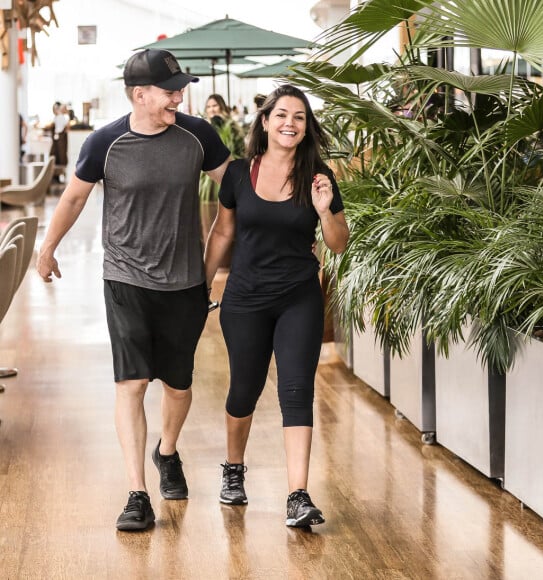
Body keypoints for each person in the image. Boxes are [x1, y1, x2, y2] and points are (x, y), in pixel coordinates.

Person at [36, 48, 231, 532]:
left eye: (180, 88)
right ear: (139, 94)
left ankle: (167, 452)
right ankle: (136, 492)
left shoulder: (198, 135)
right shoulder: (106, 142)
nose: (179, 97)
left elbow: (237, 191)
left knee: (178, 386)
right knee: (133, 384)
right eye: (170, 91)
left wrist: (224, 258)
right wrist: (47, 248)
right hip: (125, 279)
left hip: (185, 281)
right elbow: (75, 196)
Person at [204, 84, 349, 527]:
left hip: (298, 297)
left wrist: (325, 211)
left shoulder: (319, 177)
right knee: (244, 390)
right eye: (282, 114)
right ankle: (233, 469)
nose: (290, 123)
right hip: (245, 299)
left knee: (296, 391)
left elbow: (339, 244)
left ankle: (297, 495)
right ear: (264, 122)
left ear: (306, 128)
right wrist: (201, 286)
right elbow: (223, 234)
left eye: (300, 117)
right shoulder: (237, 175)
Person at [205, 93, 246, 159]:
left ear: (222, 107)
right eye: (208, 107)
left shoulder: (231, 125)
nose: (211, 110)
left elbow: (238, 150)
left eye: (215, 106)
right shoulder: (206, 126)